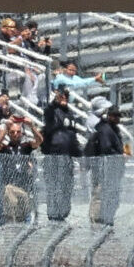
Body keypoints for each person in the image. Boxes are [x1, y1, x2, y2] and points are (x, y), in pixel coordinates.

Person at [39, 88, 83, 221]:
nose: (64, 98)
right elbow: (48, 112)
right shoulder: (52, 113)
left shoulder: (70, 114)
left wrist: (81, 156)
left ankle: (63, 214)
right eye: (61, 96)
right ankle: (53, 215)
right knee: (54, 187)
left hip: (67, 157)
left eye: (66, 96)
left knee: (66, 186)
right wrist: (53, 102)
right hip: (53, 157)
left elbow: (73, 136)